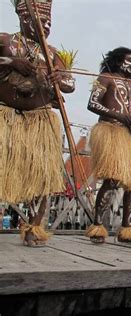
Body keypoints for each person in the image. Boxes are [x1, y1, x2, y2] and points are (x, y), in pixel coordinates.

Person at [0, 0, 75, 246]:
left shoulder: (53, 54)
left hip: (40, 120)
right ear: (24, 19)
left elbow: (70, 84)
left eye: (49, 23)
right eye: (41, 21)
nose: (46, 26)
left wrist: (59, 79)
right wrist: (13, 63)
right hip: (7, 116)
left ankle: (35, 227)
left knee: (42, 174)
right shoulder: (6, 41)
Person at [84, 47, 131, 244]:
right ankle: (98, 227)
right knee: (113, 180)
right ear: (117, 61)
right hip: (111, 131)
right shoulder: (105, 77)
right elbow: (92, 103)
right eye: (130, 60)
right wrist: (117, 115)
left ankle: (127, 230)